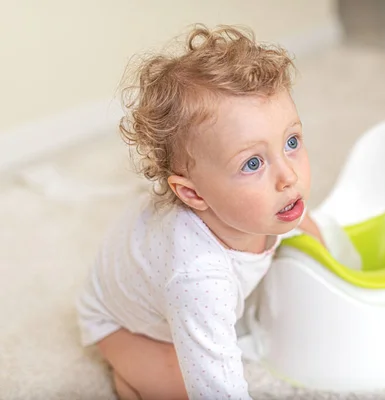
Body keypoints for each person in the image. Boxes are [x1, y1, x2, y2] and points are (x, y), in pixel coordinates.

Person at [76, 24, 324, 400]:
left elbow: (309, 229)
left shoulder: (270, 204)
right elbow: (218, 390)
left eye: (291, 142)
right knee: (183, 387)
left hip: (164, 281)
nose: (288, 176)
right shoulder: (198, 278)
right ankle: (126, 375)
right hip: (124, 324)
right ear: (193, 193)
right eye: (253, 163)